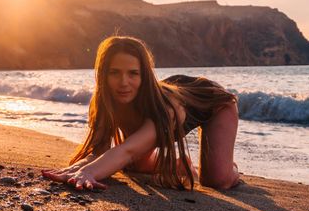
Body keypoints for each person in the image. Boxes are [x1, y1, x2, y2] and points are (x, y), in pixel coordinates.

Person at [42, 36, 239, 191]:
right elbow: (100, 151)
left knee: (216, 181)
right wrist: (79, 170)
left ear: (145, 76)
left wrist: (88, 172)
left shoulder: (167, 108)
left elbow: (128, 150)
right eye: (114, 72)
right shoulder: (105, 100)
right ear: (103, 75)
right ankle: (181, 164)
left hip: (214, 103)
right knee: (133, 166)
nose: (123, 82)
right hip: (175, 98)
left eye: (133, 73)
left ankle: (232, 168)